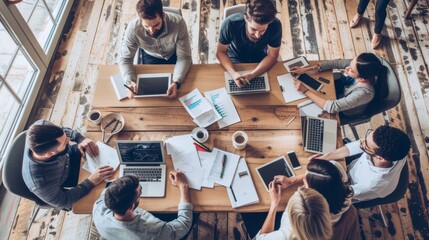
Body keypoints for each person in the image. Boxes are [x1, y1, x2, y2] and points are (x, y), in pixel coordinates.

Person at [23, 120, 115, 209]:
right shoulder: (40, 183)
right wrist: (91, 181)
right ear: (50, 154)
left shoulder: (42, 126)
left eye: (67, 138)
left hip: (67, 157)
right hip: (65, 177)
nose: (69, 140)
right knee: (107, 188)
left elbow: (62, 131)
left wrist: (80, 139)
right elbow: (64, 201)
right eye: (65, 143)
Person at [312, 125, 411, 203]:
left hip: (347, 189)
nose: (361, 142)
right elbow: (357, 145)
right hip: (351, 172)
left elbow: (341, 193)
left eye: (366, 144)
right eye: (366, 138)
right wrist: (325, 157)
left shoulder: (372, 185)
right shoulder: (395, 146)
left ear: (380, 158)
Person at [119, 0, 192, 99]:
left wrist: (176, 82)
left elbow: (184, 57)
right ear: (141, 20)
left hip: (174, 54)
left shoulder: (179, 24)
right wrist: (129, 81)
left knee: (184, 89)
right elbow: (125, 59)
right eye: (146, 26)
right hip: (150, 56)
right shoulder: (133, 29)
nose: (151, 31)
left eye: (156, 25)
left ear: (163, 15)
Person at [93, 171, 193, 240]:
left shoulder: (98, 208)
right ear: (131, 207)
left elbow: (109, 191)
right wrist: (183, 186)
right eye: (139, 191)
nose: (140, 189)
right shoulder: (153, 231)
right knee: (195, 212)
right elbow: (184, 224)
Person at [291, 52, 388, 117]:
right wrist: (306, 69)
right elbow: (335, 63)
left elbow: (332, 107)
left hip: (345, 111)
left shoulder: (364, 93)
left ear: (362, 78)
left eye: (351, 70)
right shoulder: (359, 65)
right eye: (350, 64)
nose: (347, 68)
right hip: (343, 92)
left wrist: (305, 90)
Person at [216, 0, 282, 88]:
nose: (257, 35)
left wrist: (252, 75)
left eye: (263, 30)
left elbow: (272, 56)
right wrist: (233, 74)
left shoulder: (275, 25)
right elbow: (221, 52)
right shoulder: (229, 24)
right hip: (234, 59)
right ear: (245, 19)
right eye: (253, 29)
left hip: (261, 59)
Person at [275, 159, 353, 224]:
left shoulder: (312, 211)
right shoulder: (335, 167)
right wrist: (291, 181)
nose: (303, 181)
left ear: (316, 192)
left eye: (305, 183)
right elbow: (315, 175)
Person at [255, 186, 332, 240]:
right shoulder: (332, 221)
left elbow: (261, 237)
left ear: (291, 217)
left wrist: (274, 204)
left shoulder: (284, 235)